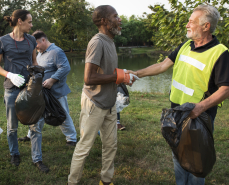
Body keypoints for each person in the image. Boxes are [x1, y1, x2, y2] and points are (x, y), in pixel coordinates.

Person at [127, 5, 229, 185]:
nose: (187, 25)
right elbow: (161, 66)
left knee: (196, 162)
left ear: (206, 26)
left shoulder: (220, 52)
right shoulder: (185, 45)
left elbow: (225, 89)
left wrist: (200, 107)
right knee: (178, 155)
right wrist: (137, 73)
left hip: (199, 116)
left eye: (192, 21)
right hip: (176, 113)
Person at [68, 5, 137, 185]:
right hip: (94, 103)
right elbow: (89, 78)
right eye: (116, 16)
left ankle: (106, 181)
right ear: (105, 21)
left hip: (109, 103)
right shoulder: (97, 42)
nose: (120, 19)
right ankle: (72, 182)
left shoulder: (110, 41)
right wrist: (118, 77)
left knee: (111, 145)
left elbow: (108, 72)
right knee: (84, 146)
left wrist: (122, 76)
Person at [0, 9, 50, 173]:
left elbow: (33, 61)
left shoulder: (31, 40)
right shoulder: (2, 41)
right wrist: (9, 74)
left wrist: (37, 75)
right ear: (19, 21)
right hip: (11, 89)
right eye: (29, 22)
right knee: (12, 127)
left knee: (35, 124)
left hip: (30, 88)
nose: (32, 25)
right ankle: (14, 153)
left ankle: (37, 159)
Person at [17, 30, 77, 146]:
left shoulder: (56, 51)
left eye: (37, 45)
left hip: (56, 92)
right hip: (41, 92)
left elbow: (65, 68)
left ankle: (72, 139)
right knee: (36, 113)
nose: (36, 48)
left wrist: (52, 80)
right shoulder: (40, 53)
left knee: (61, 113)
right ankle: (30, 135)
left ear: (43, 40)